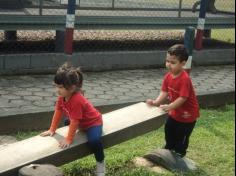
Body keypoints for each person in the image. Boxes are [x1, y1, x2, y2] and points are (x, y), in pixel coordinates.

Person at [40, 63, 105, 176]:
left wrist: (69, 139)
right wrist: (52, 129)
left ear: (72, 88)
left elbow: (74, 121)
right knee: (67, 122)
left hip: (93, 123)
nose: (57, 90)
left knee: (94, 141)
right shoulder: (62, 97)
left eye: (60, 87)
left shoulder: (77, 100)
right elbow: (58, 112)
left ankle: (101, 164)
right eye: (56, 86)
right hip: (79, 122)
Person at [146, 44, 200, 157]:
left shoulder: (184, 79)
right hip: (174, 113)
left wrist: (169, 106)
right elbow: (164, 92)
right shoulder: (168, 76)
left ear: (183, 63)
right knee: (169, 130)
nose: (169, 65)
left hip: (187, 116)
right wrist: (156, 102)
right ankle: (169, 149)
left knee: (181, 136)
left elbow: (183, 98)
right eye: (167, 61)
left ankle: (180, 154)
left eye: (173, 62)